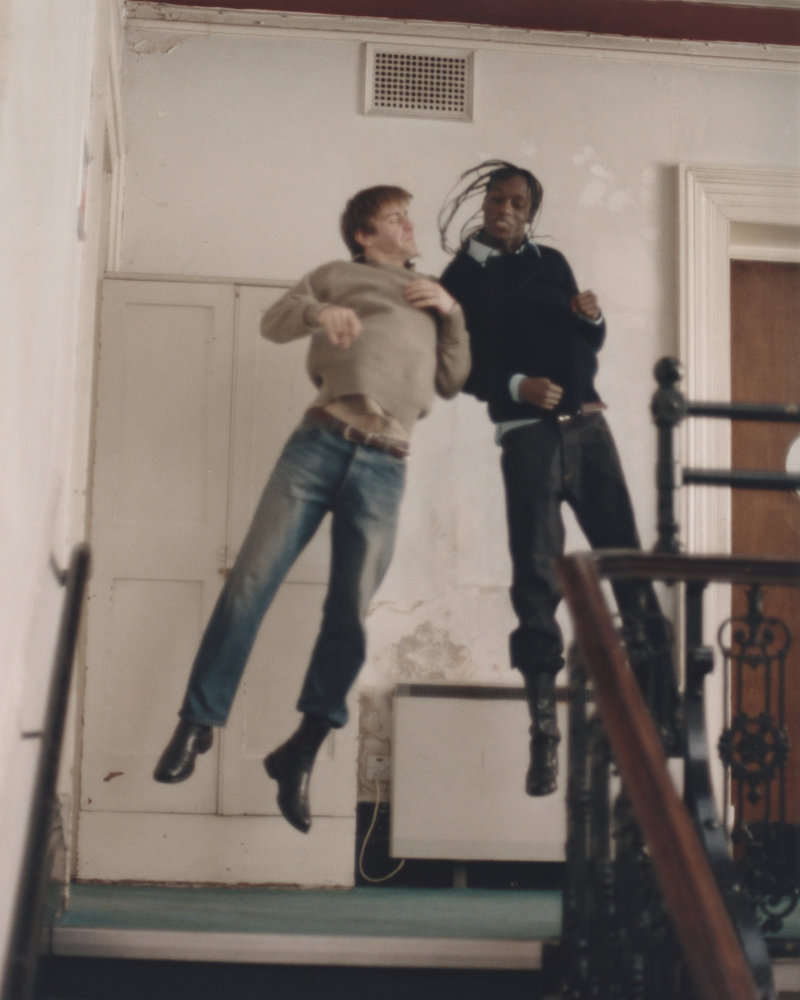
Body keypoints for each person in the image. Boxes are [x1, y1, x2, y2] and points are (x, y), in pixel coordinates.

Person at [154, 185, 470, 832]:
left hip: (386, 463)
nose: (408, 225)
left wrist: (453, 311)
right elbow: (274, 322)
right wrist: (320, 313)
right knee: (250, 580)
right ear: (362, 235)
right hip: (319, 445)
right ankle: (197, 721)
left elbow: (452, 378)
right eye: (394, 218)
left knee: (349, 611)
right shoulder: (334, 276)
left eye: (408, 216)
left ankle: (301, 748)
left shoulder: (429, 294)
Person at [439, 160, 674, 796]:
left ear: (531, 212)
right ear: (484, 203)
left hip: (590, 430)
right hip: (528, 439)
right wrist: (517, 385)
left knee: (626, 563)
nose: (505, 208)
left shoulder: (554, 263)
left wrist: (591, 319)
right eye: (497, 198)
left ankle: (664, 712)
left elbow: (583, 346)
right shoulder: (460, 277)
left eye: (518, 202)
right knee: (538, 581)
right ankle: (544, 733)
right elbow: (458, 365)